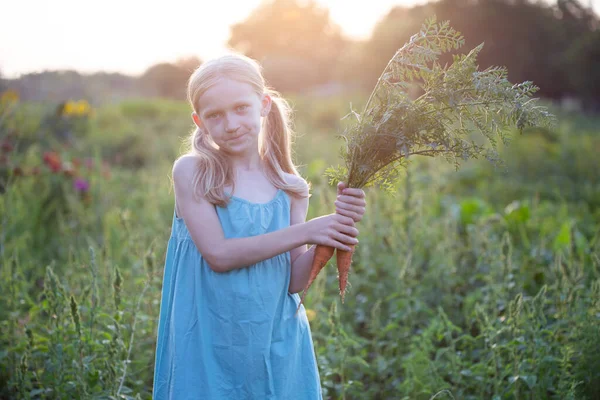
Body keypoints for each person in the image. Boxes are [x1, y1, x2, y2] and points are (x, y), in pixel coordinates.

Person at [152, 53, 367, 400]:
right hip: (209, 343)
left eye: (241, 108)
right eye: (215, 115)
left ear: (263, 104)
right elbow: (219, 256)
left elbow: (294, 280)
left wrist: (332, 235)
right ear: (199, 121)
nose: (232, 124)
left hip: (273, 341)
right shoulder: (194, 173)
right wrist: (309, 231)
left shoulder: (290, 187)